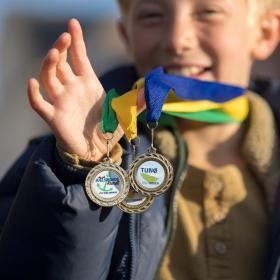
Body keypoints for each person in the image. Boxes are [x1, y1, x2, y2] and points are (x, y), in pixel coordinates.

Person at [0, 0, 280, 279]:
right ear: (126, 36)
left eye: (208, 12)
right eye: (152, 16)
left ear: (265, 33)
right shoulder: (59, 159)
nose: (177, 39)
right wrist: (83, 170)